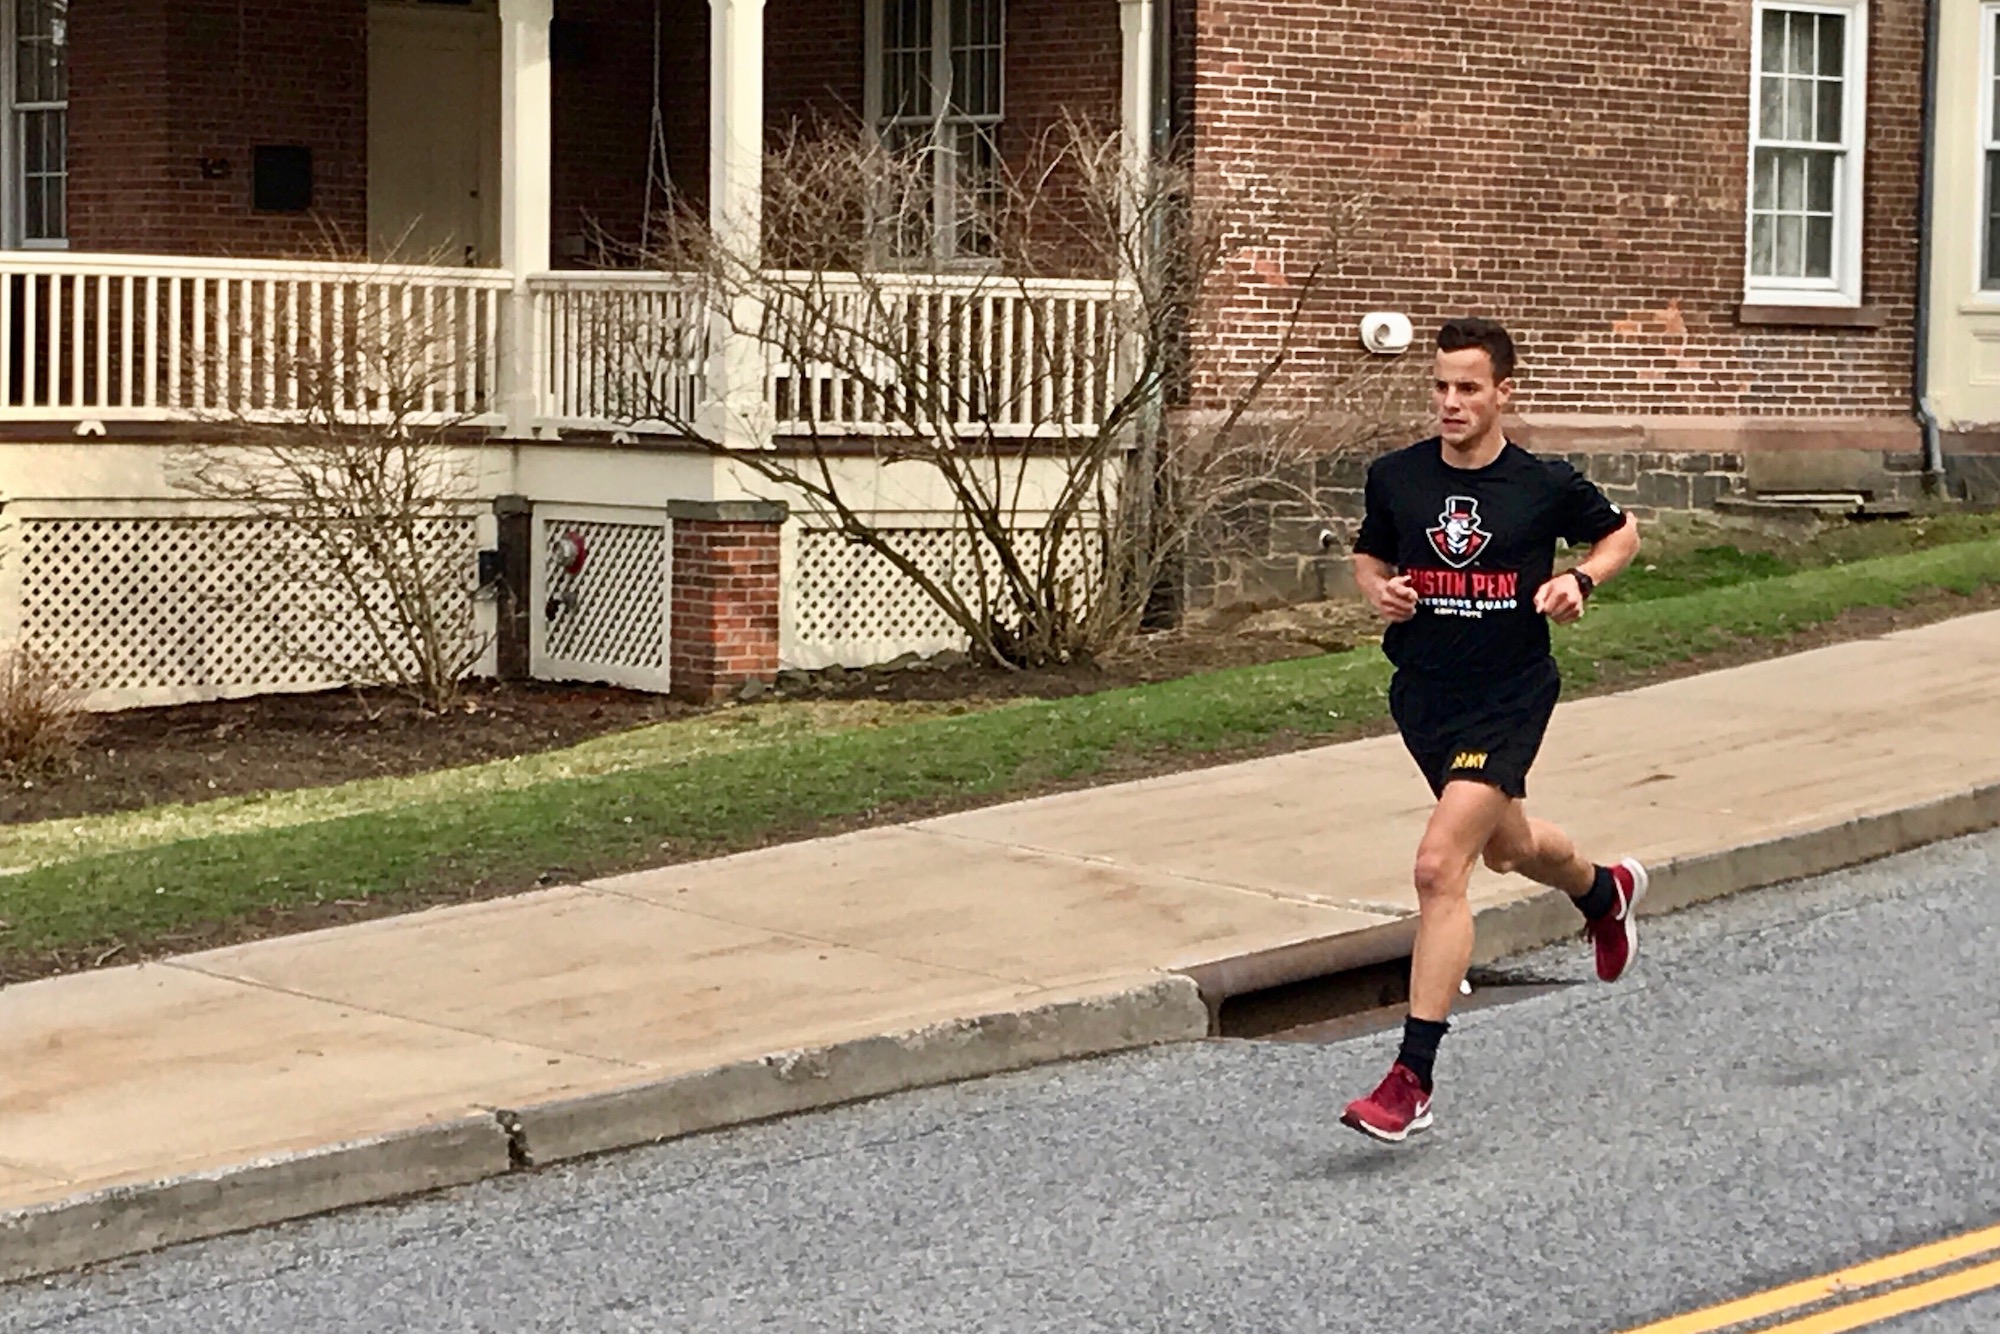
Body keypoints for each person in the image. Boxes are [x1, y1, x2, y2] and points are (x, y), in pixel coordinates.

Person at [1340, 316, 1646, 1144]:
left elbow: (1621, 531)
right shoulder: (1396, 477)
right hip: (1426, 697)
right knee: (1508, 848)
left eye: (1468, 388)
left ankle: (1411, 1079)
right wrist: (1380, 591)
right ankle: (1602, 889)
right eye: (1440, 386)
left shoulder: (1541, 482)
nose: (1450, 401)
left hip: (1510, 692)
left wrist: (1580, 578)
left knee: (1441, 868)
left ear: (1503, 392)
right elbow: (1371, 556)